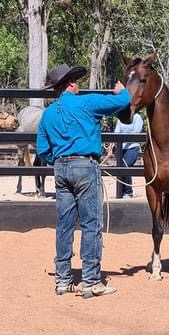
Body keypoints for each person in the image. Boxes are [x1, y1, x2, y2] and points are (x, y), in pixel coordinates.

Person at [36, 64, 131, 299]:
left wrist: (59, 160)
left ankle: (63, 280)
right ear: (70, 84)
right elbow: (121, 103)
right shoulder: (86, 102)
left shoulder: (48, 114)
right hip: (85, 166)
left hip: (61, 168)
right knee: (91, 224)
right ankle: (90, 281)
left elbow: (42, 149)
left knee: (64, 225)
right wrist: (122, 91)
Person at [106, 112, 144, 199]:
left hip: (132, 147)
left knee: (126, 165)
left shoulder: (137, 117)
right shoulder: (121, 118)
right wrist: (111, 148)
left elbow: (136, 132)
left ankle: (128, 191)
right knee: (120, 168)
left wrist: (124, 140)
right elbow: (116, 132)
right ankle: (120, 192)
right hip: (121, 148)